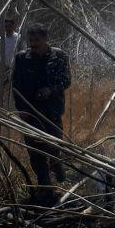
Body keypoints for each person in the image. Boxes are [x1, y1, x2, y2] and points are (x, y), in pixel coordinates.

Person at [11, 24, 71, 205]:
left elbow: (66, 80)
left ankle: (57, 167)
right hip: (29, 112)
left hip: (51, 111)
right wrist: (21, 109)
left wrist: (51, 90)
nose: (33, 44)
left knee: (53, 146)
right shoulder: (22, 58)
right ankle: (45, 188)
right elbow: (16, 86)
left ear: (46, 39)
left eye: (37, 40)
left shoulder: (59, 56)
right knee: (35, 152)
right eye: (31, 40)